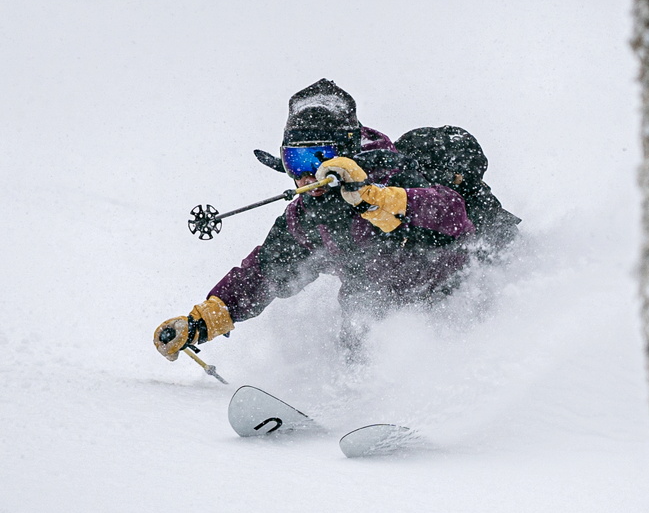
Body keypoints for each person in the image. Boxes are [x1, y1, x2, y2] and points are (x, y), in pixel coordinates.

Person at [154, 79, 513, 363]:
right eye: (294, 161)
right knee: (361, 337)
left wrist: (373, 198)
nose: (305, 176)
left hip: (458, 291)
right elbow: (265, 271)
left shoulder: (390, 172)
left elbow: (452, 215)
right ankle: (354, 404)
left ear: (344, 153)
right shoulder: (307, 217)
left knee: (428, 338)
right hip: (376, 309)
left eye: (317, 158)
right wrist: (202, 322)